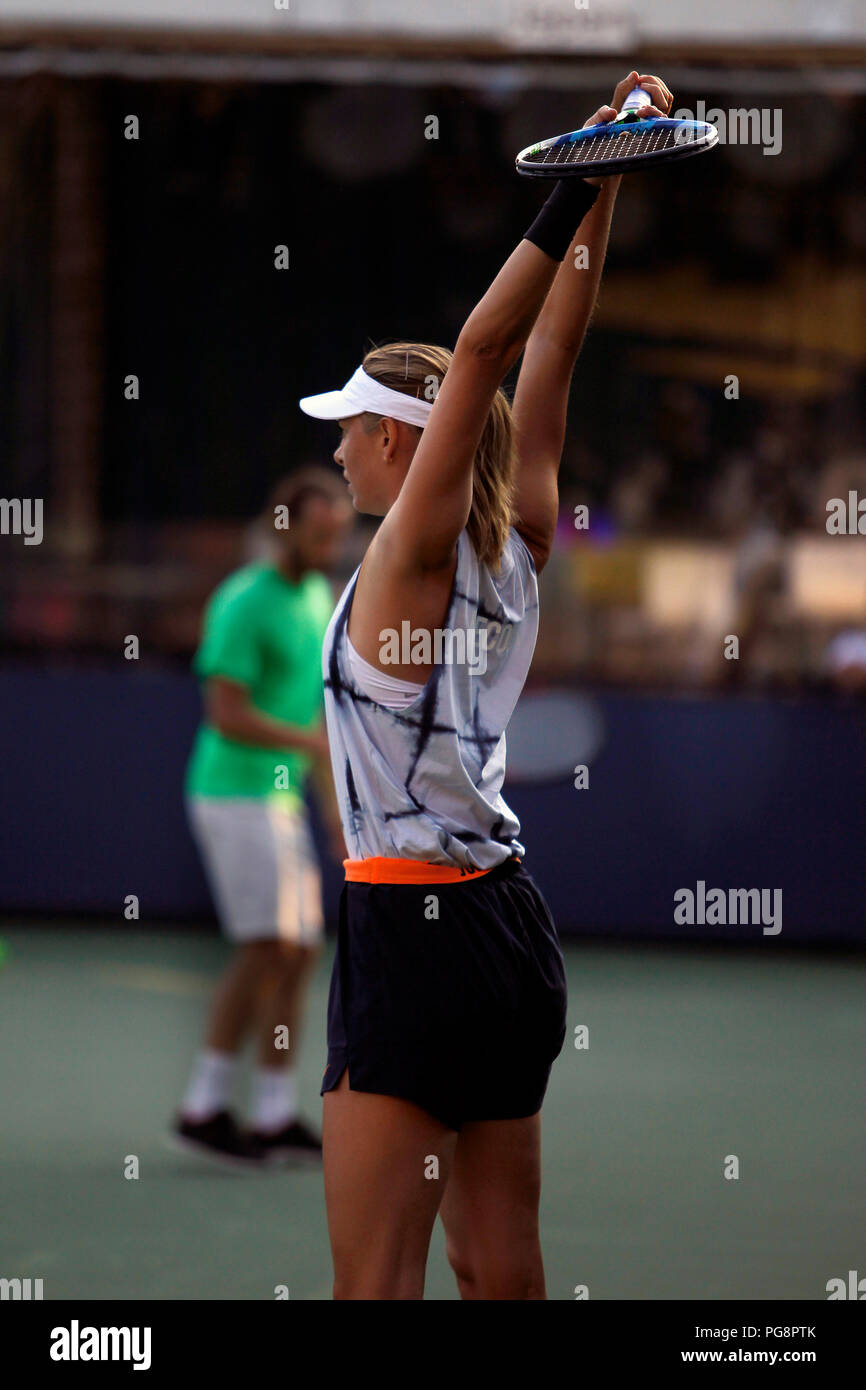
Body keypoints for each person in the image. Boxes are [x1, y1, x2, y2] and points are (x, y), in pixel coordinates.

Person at [299, 73, 673, 1295]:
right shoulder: (519, 538)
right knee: (500, 1262)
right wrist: (613, 166)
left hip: (406, 928)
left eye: (352, 425)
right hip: (506, 930)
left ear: (404, 442)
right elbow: (552, 343)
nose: (337, 445)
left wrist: (571, 182)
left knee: (372, 1283)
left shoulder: (410, 551)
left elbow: (488, 348)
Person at [171, 468, 353, 1168]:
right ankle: (203, 1106)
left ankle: (275, 1114)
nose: (330, 546)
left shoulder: (316, 597)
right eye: (319, 533)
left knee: (300, 950)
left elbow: (312, 718)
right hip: (229, 792)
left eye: (338, 535)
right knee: (267, 946)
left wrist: (335, 819)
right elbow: (227, 712)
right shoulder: (244, 601)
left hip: (277, 799)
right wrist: (310, 743)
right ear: (284, 527)